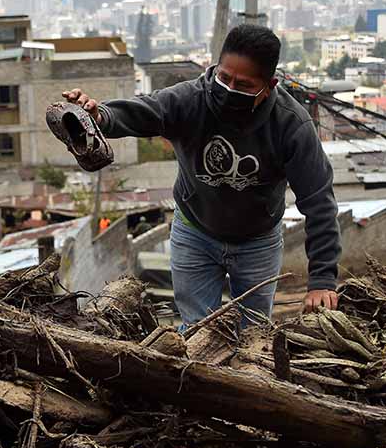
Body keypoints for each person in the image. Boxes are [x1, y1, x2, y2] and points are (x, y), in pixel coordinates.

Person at [62, 25, 341, 326]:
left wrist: (322, 279)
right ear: (216, 67)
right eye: (224, 78)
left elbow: (319, 202)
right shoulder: (190, 100)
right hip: (195, 232)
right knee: (197, 329)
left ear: (269, 85)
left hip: (258, 242)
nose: (229, 89)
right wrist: (100, 116)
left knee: (255, 332)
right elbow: (145, 112)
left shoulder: (291, 125)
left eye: (244, 86)